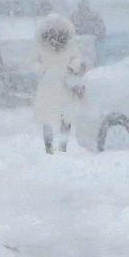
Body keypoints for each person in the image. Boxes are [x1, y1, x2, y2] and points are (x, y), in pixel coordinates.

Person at [33, 11, 88, 154]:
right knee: (49, 117)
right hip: (50, 85)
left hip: (63, 84)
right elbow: (33, 62)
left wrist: (71, 67)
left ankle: (62, 146)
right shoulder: (41, 46)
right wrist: (42, 69)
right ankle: (49, 146)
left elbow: (77, 59)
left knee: (64, 116)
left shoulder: (69, 45)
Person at [70, 0, 107, 67]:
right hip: (79, 40)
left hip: (91, 40)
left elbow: (101, 27)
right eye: (81, 6)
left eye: (84, 6)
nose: (83, 9)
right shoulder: (74, 16)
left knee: (90, 57)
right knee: (81, 57)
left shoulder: (94, 15)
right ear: (79, 7)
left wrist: (100, 35)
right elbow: (70, 28)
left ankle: (92, 68)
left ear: (88, 7)